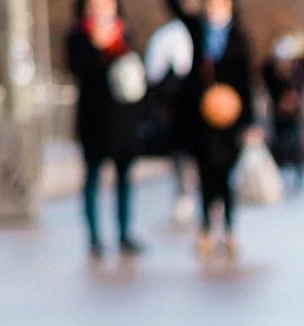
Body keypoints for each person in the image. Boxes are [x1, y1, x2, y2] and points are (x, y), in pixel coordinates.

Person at [66, 0, 144, 258]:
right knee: (92, 176)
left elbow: (134, 71)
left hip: (122, 119)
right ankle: (94, 237)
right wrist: (97, 48)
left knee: (124, 177)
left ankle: (124, 233)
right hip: (93, 119)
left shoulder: (124, 33)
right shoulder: (78, 35)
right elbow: (76, 68)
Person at [179, 0, 253, 261]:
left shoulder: (239, 38)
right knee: (206, 177)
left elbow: (247, 83)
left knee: (226, 177)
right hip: (202, 120)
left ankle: (230, 229)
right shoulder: (198, 32)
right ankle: (206, 228)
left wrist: (249, 123)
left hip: (230, 121)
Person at [143, 0, 199, 228]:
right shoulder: (170, 35)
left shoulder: (174, 34)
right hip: (177, 108)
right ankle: (185, 196)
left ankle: (189, 197)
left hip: (186, 106)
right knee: (183, 157)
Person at [262, 33, 304, 190]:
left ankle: (297, 171)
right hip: (278, 111)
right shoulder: (270, 69)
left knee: (295, 141)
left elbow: (300, 86)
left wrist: (293, 99)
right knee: (278, 140)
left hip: (293, 111)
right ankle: (279, 169)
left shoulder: (297, 69)